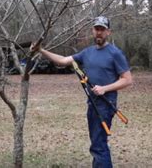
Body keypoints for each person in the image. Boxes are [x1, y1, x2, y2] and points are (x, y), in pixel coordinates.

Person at [31, 16, 132, 168]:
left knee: (98, 146)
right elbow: (63, 61)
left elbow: (127, 80)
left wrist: (104, 88)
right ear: (93, 31)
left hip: (105, 105)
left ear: (108, 32)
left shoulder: (115, 53)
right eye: (96, 29)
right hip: (92, 104)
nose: (99, 32)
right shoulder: (87, 53)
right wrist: (41, 50)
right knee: (97, 144)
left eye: (102, 30)